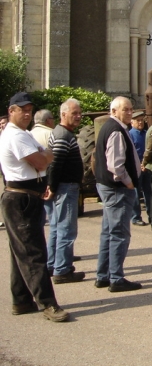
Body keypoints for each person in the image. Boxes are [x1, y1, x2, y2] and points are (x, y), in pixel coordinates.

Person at [0, 92, 69, 322]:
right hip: (20, 198)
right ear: (12, 111)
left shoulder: (23, 134)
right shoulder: (15, 136)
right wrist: (45, 155)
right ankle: (48, 304)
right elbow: (41, 160)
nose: (27, 114)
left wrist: (43, 163)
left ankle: (21, 300)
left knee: (21, 251)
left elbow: (39, 161)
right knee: (33, 253)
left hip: (28, 194)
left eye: (29, 110)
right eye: (22, 110)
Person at [94, 96, 143, 292]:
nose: (130, 113)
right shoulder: (115, 130)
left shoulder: (114, 128)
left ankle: (103, 275)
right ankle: (116, 278)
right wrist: (129, 183)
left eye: (131, 109)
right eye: (126, 110)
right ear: (114, 111)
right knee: (119, 234)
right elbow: (115, 165)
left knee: (108, 232)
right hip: (117, 189)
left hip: (110, 188)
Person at [46, 98, 85, 283]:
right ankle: (62, 270)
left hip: (63, 187)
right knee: (66, 230)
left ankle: (52, 264)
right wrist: (52, 187)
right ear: (63, 114)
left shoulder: (62, 132)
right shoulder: (63, 135)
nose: (78, 116)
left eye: (79, 113)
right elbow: (55, 164)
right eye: (74, 113)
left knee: (56, 227)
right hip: (65, 188)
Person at [129, 109, 152, 226]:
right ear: (132, 122)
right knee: (136, 194)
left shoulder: (146, 133)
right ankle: (136, 217)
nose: (140, 123)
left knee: (149, 193)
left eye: (142, 120)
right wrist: (138, 165)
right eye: (137, 121)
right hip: (136, 169)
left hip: (147, 168)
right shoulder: (130, 135)